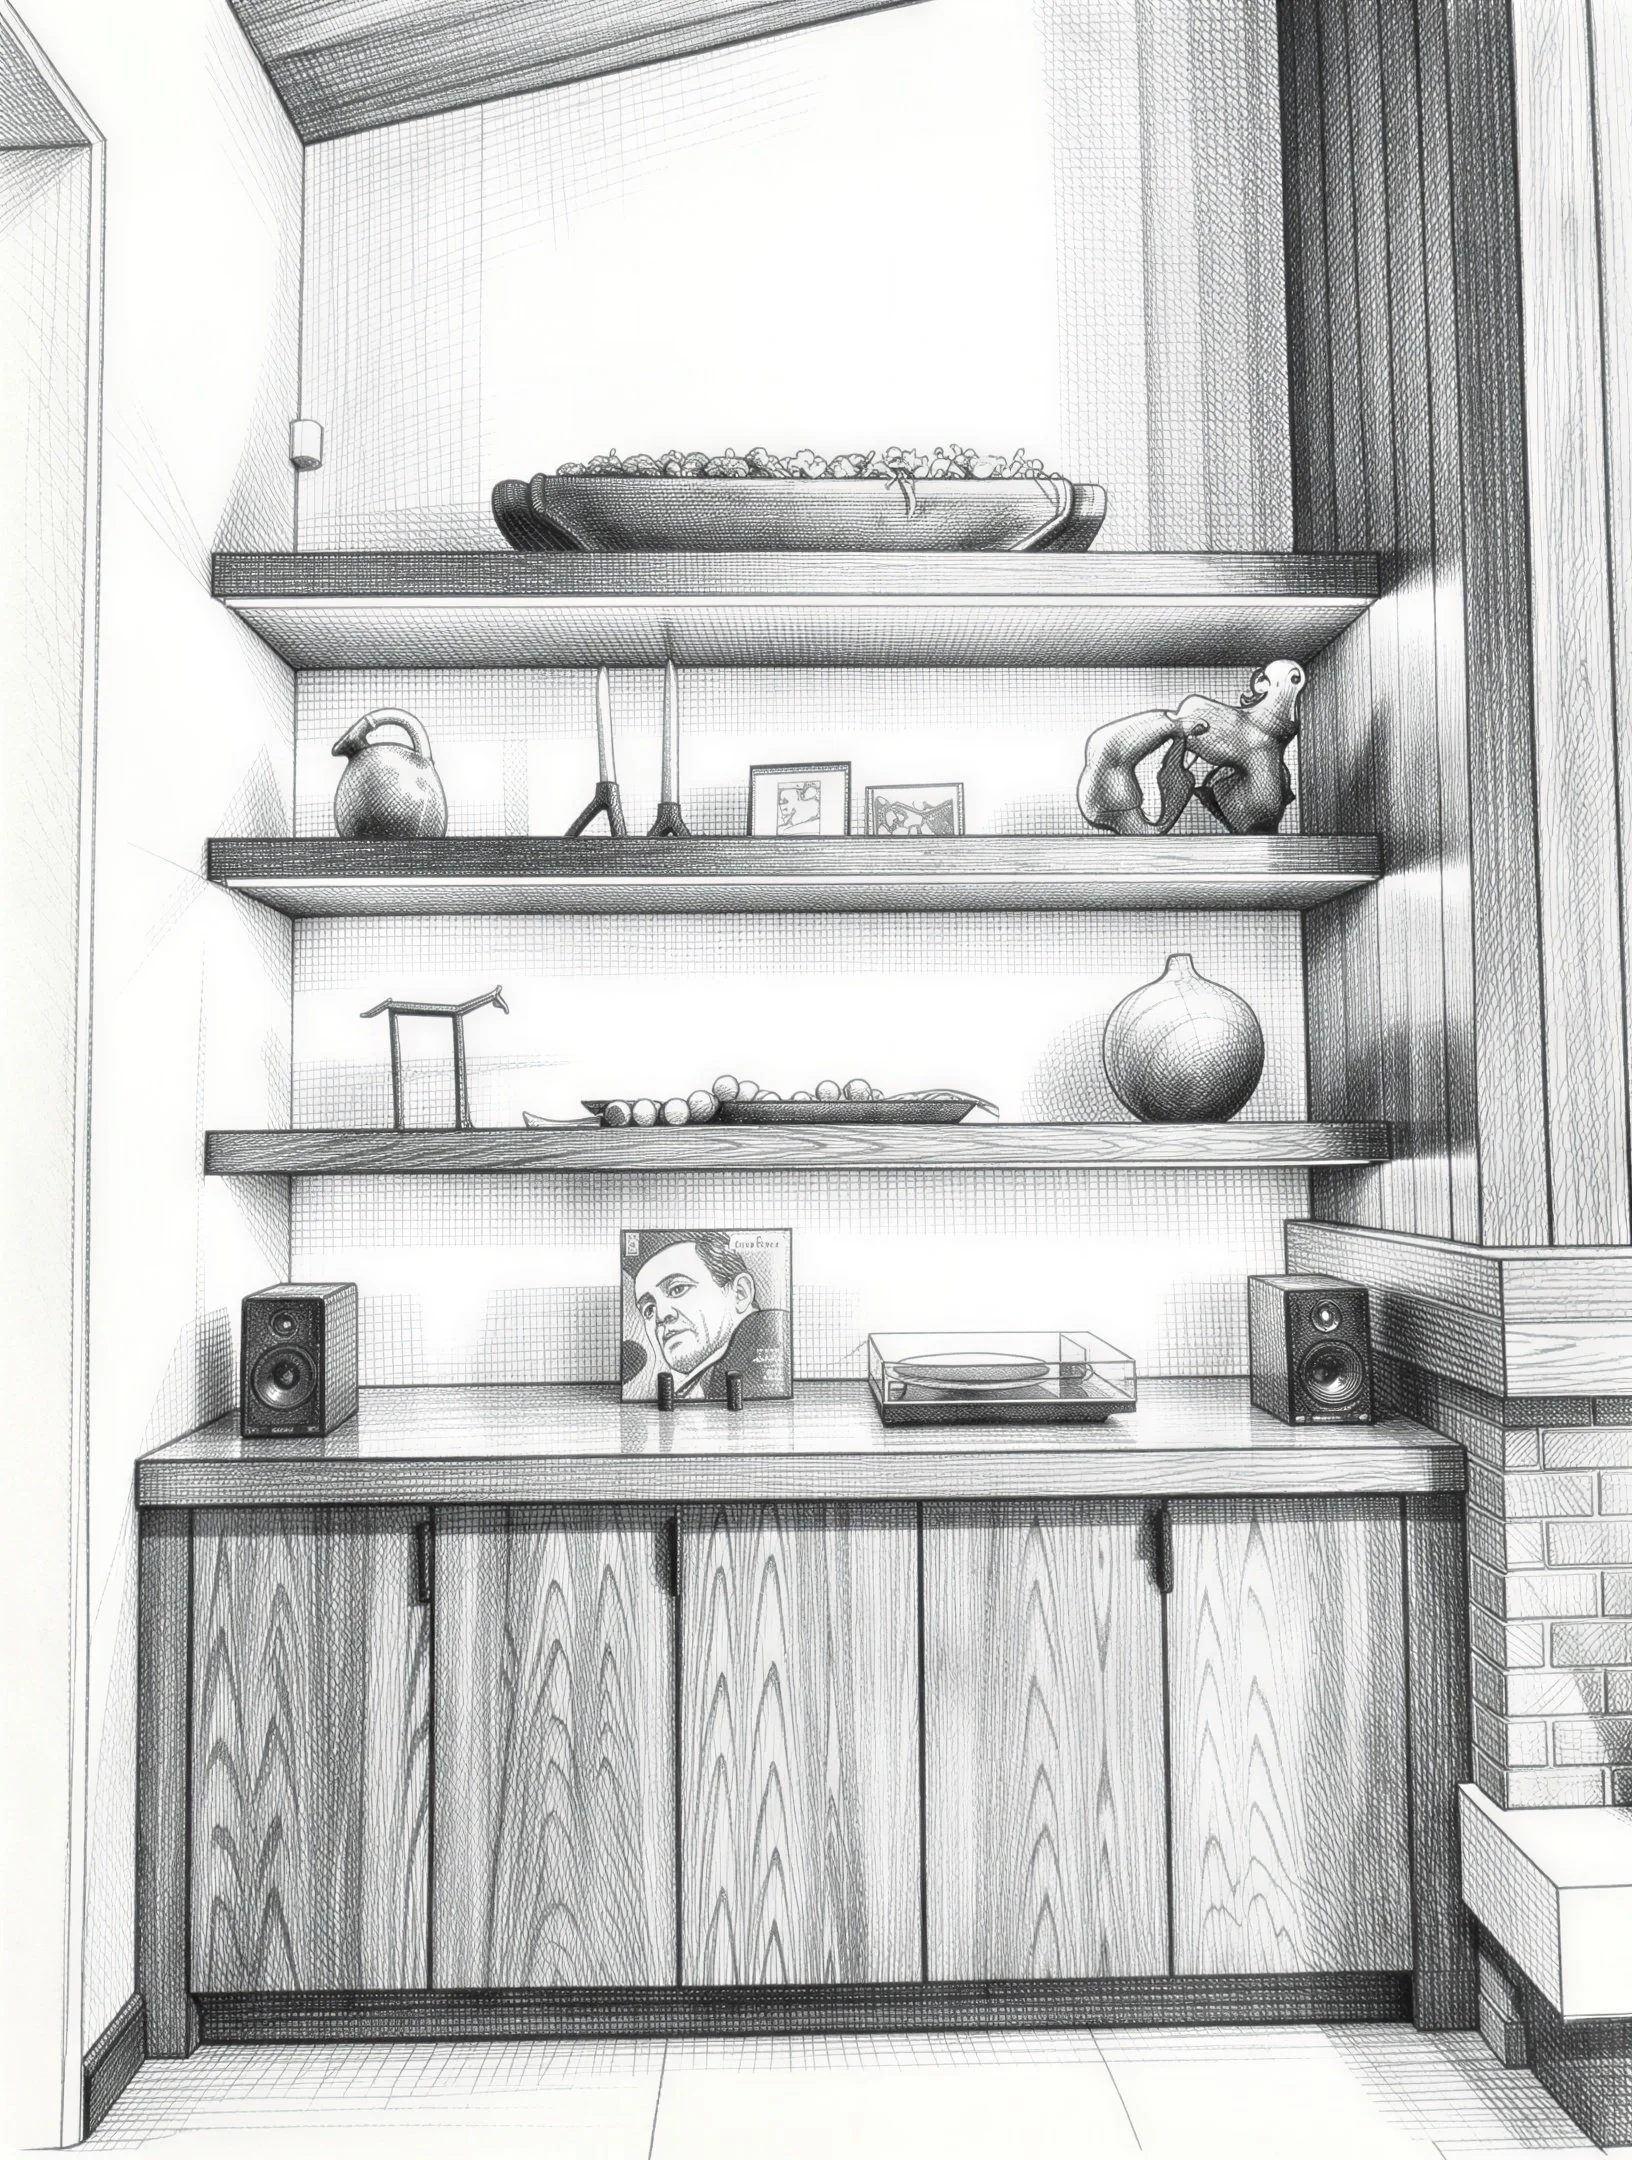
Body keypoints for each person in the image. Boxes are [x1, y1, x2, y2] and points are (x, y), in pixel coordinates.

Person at [625, 1231, 790, 1401]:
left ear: (740, 1293)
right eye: (649, 1309)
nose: (661, 1315)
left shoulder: (754, 1371)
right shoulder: (701, 1383)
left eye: (677, 1289)